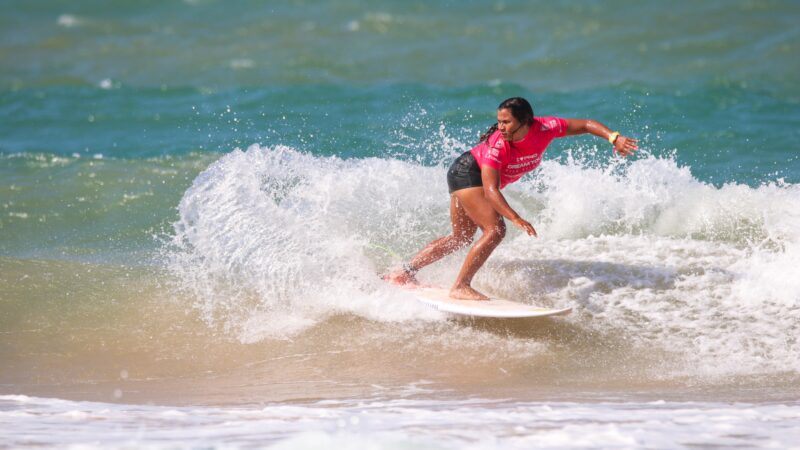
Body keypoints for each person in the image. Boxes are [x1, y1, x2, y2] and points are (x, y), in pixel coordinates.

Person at [384, 97, 638, 300]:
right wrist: (515, 217)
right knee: (495, 230)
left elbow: (585, 124)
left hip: (466, 173)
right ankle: (461, 286)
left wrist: (614, 138)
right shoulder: (498, 144)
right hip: (467, 172)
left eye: (506, 122)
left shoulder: (546, 127)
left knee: (460, 237)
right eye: (499, 121)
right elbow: (491, 190)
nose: (500, 127)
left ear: (525, 121)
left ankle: (402, 273)